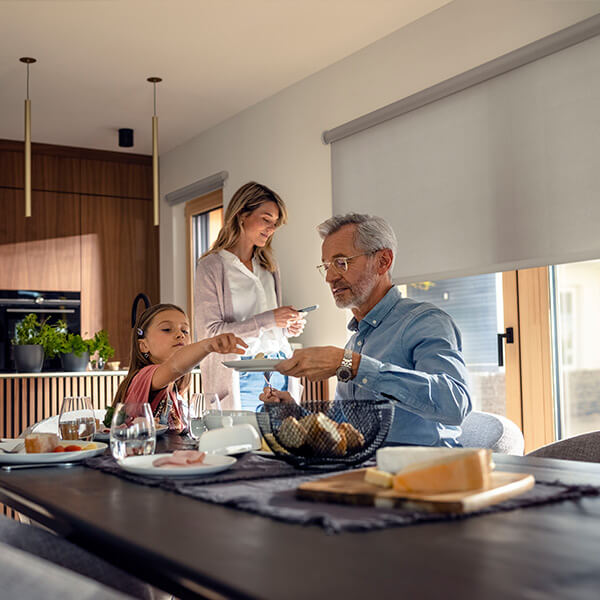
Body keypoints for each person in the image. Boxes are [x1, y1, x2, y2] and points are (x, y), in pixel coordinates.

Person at [261, 213, 472, 447]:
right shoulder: (354, 343)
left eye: (341, 262)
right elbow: (343, 429)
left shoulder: (425, 322)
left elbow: (456, 404)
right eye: (327, 266)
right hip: (364, 473)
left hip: (424, 472)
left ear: (383, 261)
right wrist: (294, 413)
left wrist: (353, 365)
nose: (330, 277)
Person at [195, 181, 304, 410]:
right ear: (241, 215)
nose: (271, 229)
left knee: (282, 443)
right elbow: (210, 333)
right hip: (240, 375)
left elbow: (270, 327)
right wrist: (270, 319)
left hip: (280, 370)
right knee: (242, 444)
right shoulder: (212, 266)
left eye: (275, 224)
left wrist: (287, 326)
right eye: (266, 219)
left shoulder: (269, 267)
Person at [113, 303, 246, 432]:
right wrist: (208, 345)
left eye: (185, 331)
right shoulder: (143, 376)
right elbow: (175, 366)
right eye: (166, 329)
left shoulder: (175, 391)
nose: (180, 335)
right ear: (144, 346)